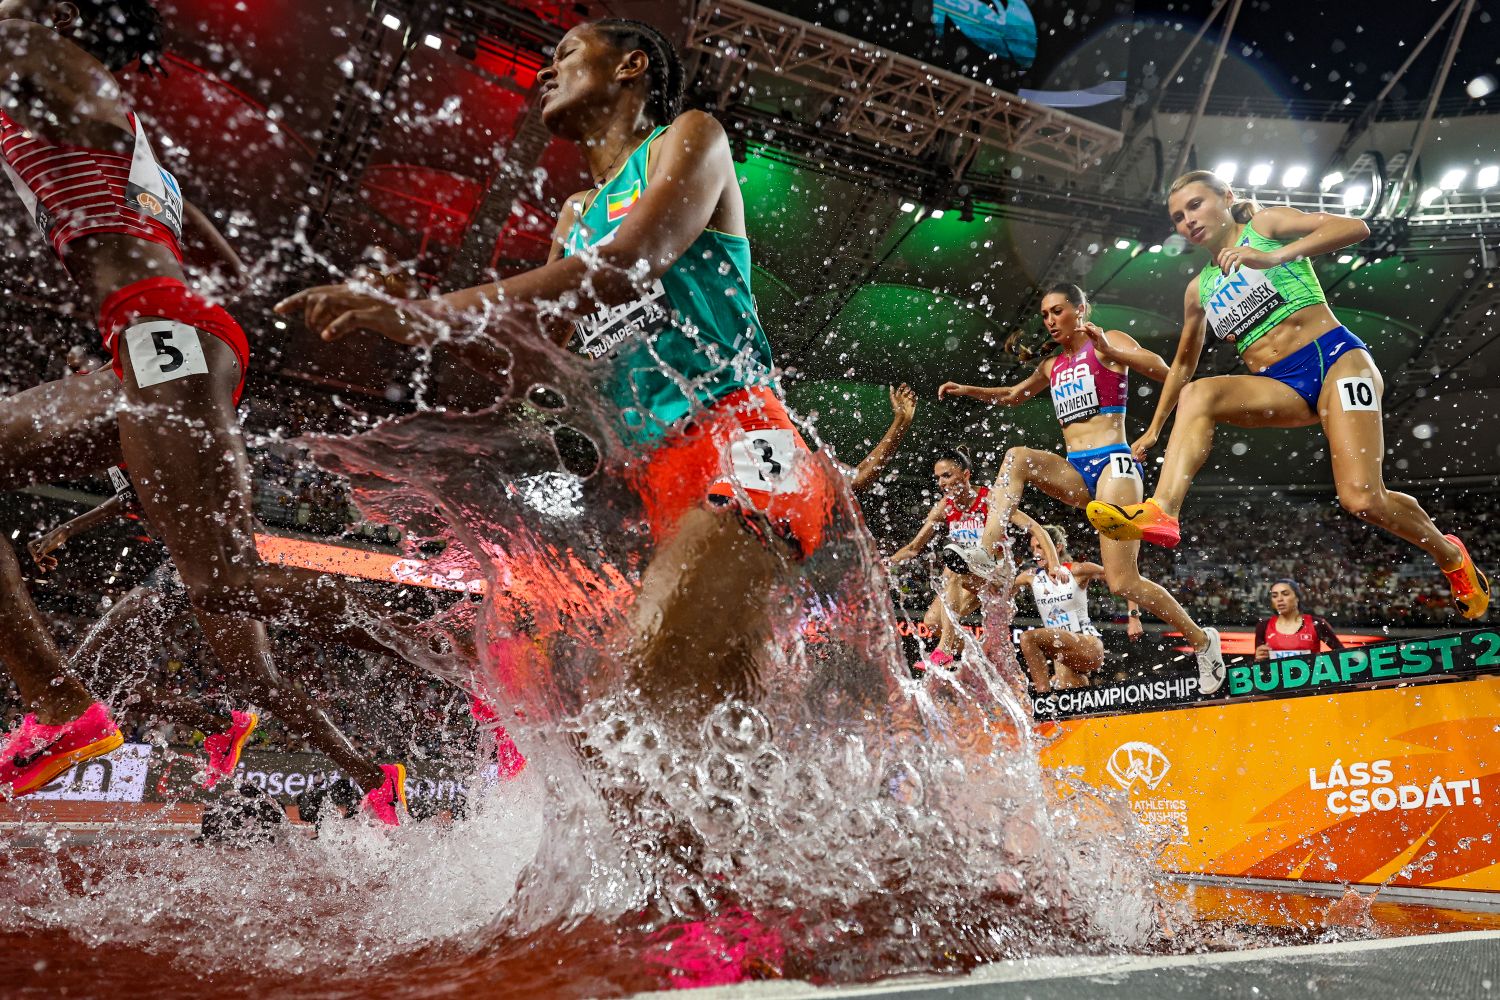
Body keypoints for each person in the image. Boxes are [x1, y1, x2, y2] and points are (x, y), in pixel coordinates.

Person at [279, 18, 854, 725]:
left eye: (567, 54)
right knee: (686, 744)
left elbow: (622, 269)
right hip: (654, 482)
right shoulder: (575, 213)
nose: (546, 71)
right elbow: (543, 358)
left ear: (631, 65)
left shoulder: (691, 137)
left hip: (743, 443)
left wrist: (422, 313)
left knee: (634, 706)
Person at [0, 0, 405, 819]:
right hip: (158, 341)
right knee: (242, 639)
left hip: (164, 336)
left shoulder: (52, 61)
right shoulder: (120, 125)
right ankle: (352, 766)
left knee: (225, 583)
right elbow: (219, 252)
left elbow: (92, 115)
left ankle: (463, 674)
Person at [1085, 170, 1489, 621]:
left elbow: (1355, 228)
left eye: (1196, 205)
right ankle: (1162, 509)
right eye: (1178, 217)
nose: (1188, 221)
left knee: (1363, 500)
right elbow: (1182, 365)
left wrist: (1273, 257)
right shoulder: (1198, 290)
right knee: (1199, 392)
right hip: (1282, 383)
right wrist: (1155, 429)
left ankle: (1451, 555)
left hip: (1336, 360)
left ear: (1226, 198)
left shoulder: (1267, 227)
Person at [937, 283, 1227, 692]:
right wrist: (969, 391)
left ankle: (1202, 640)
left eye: (1057, 311)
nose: (1051, 321)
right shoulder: (1051, 366)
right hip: (1076, 469)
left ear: (1080, 309)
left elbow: (1169, 373)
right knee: (1017, 456)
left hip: (1116, 463)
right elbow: (1014, 396)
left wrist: (1111, 348)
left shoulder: (1108, 344)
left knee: (1123, 582)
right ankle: (986, 549)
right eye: (1045, 316)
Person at [888, 449, 1060, 668]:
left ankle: (944, 651)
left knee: (953, 568)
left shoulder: (990, 499)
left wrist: (1054, 564)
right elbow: (913, 548)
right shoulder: (944, 507)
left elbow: (1036, 529)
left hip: (997, 572)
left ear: (966, 475)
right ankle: (980, 652)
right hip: (968, 571)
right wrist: (886, 563)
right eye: (938, 478)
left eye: (947, 475)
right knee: (931, 623)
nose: (941, 483)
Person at [1012, 525, 1115, 692]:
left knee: (1027, 638)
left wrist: (1134, 616)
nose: (1035, 553)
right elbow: (997, 591)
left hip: (1088, 644)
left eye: (1040, 546)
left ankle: (1042, 698)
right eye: (1033, 548)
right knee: (1068, 692)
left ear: (1057, 547)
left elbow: (1122, 581)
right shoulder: (1031, 576)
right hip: (1062, 649)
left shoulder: (1076, 570)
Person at [1254, 578, 1344, 661]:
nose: (1279, 599)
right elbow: (1259, 667)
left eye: (1285, 594)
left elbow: (1343, 655)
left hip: (1311, 678)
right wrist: (1258, 659)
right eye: (1274, 596)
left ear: (1297, 597)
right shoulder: (1263, 626)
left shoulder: (1317, 624)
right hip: (1276, 678)